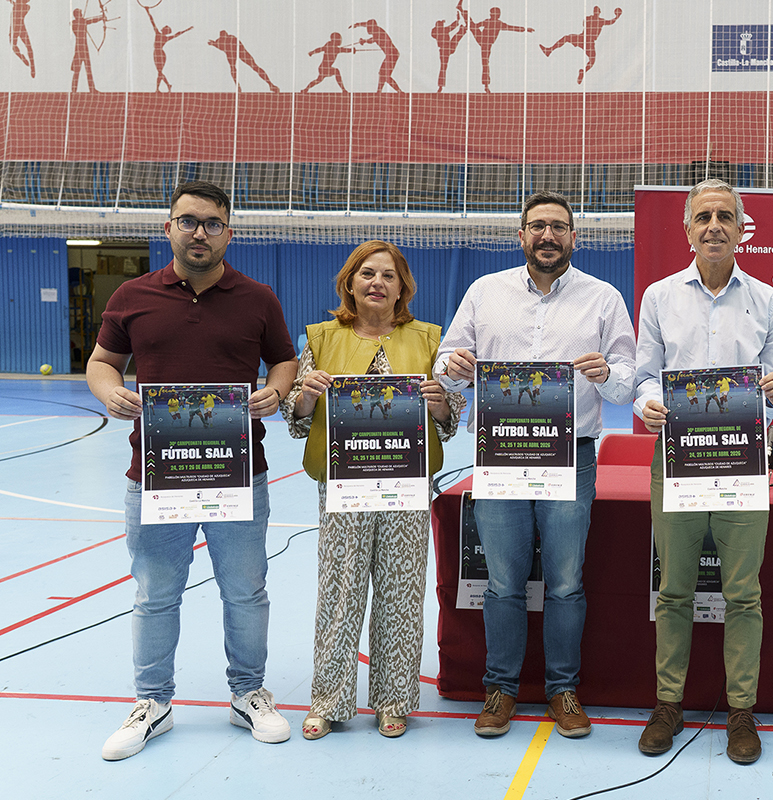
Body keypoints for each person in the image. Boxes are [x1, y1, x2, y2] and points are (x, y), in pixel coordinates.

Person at [88, 181, 298, 760]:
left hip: (238, 472)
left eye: (210, 223)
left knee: (246, 591)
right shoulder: (132, 296)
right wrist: (110, 392)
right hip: (156, 474)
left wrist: (276, 391)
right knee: (156, 593)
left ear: (228, 232)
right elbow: (103, 361)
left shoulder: (258, 298)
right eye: (187, 221)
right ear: (169, 229)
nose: (198, 232)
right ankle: (152, 702)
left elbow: (284, 358)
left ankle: (248, 694)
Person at [436, 190, 636, 739]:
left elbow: (628, 379)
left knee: (566, 581)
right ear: (521, 235)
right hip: (501, 451)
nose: (548, 236)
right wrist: (453, 365)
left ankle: (562, 688)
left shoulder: (604, 298)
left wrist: (604, 374)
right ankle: (500, 688)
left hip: (573, 454)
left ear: (575, 237)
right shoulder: (484, 292)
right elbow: (447, 364)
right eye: (537, 226)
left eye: (559, 227)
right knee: (501, 581)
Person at [634, 178, 773, 765]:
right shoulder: (658, 297)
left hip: (743, 464)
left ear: (741, 226)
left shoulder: (769, 302)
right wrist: (647, 401)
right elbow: (646, 373)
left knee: (743, 595)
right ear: (688, 228)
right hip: (675, 459)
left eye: (726, 215)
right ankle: (667, 703)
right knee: (673, 591)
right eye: (704, 217)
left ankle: (741, 712)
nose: (715, 225)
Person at [281, 240, 464, 740]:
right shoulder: (320, 338)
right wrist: (305, 397)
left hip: (406, 484)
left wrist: (440, 404)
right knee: (339, 591)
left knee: (401, 593)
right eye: (367, 274)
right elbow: (294, 418)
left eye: (388, 275)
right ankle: (328, 699)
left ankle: (393, 700)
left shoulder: (430, 339)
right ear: (349, 283)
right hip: (344, 486)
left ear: (403, 286)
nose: (377, 283)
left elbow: (451, 423)